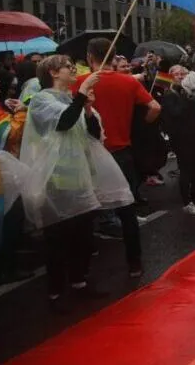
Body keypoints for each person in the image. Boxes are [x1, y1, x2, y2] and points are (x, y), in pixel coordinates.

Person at [23, 55, 134, 313]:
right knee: (58, 239)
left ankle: (79, 281)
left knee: (83, 237)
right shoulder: (42, 100)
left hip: (81, 178)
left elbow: (94, 135)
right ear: (52, 72)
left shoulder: (73, 99)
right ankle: (55, 291)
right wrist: (81, 96)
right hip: (56, 181)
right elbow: (62, 123)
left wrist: (86, 108)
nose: (74, 70)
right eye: (68, 67)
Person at [74, 38, 159, 278]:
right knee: (126, 209)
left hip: (88, 153)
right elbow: (155, 108)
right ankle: (134, 263)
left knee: (85, 210)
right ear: (113, 57)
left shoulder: (80, 83)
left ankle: (86, 260)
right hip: (121, 152)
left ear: (90, 57)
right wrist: (141, 125)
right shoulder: (127, 82)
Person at [162, 65, 195, 215]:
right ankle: (187, 202)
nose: (180, 77)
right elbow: (176, 113)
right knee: (186, 170)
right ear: (170, 76)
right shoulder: (170, 95)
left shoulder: (192, 92)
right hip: (182, 138)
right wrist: (187, 98)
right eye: (177, 74)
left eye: (183, 74)